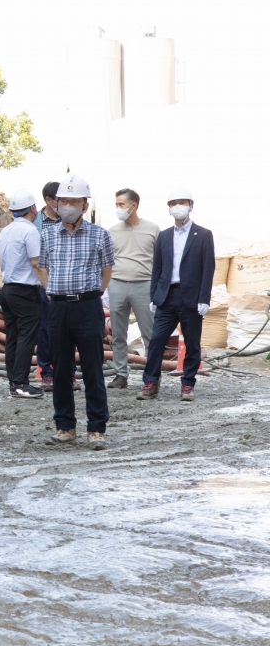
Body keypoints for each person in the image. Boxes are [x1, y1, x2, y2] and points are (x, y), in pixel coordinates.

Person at [37, 174, 115, 450]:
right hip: (57, 307)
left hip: (87, 306)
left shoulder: (99, 235)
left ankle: (96, 428)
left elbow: (107, 270)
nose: (68, 205)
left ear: (84, 204)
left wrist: (91, 293)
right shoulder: (47, 235)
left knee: (93, 367)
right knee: (60, 369)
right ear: (56, 203)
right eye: (64, 201)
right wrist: (53, 290)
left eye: (74, 201)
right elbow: (42, 267)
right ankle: (65, 426)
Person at [137, 189, 215, 403]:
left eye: (181, 202)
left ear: (191, 205)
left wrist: (204, 299)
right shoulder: (164, 235)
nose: (177, 207)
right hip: (167, 296)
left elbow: (208, 269)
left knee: (192, 343)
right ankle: (151, 381)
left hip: (190, 297)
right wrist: (154, 296)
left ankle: (188, 384)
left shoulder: (204, 234)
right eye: (173, 203)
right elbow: (157, 269)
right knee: (156, 340)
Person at [107, 188, 159, 388]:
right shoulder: (112, 231)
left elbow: (161, 259)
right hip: (117, 284)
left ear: (133, 205)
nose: (118, 208)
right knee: (118, 334)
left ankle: (152, 376)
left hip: (144, 285)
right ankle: (121, 374)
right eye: (116, 204)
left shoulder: (152, 229)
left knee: (149, 333)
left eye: (121, 204)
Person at [0, 188, 44, 398]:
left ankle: (14, 382)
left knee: (13, 337)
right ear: (33, 208)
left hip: (8, 290)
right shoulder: (30, 231)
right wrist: (49, 289)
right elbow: (36, 263)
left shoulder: (6, 231)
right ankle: (22, 383)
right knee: (26, 336)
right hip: (25, 291)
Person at [34, 181, 60, 389]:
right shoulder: (35, 223)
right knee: (45, 329)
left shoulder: (69, 220)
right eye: (60, 200)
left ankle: (65, 372)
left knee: (66, 330)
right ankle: (47, 373)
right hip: (43, 283)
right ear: (49, 201)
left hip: (66, 282)